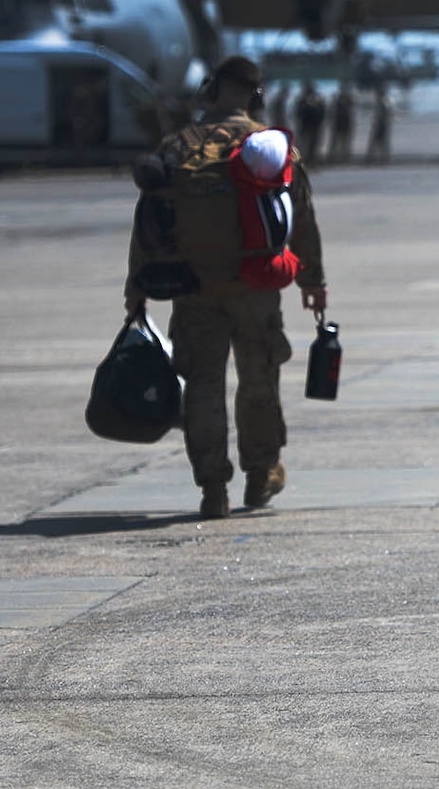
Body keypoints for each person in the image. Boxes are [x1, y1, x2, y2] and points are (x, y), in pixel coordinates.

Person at [125, 55, 327, 519]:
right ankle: (261, 474)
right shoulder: (270, 147)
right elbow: (302, 219)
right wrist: (312, 282)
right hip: (255, 285)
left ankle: (213, 487)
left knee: (202, 385)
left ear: (211, 92)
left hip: (192, 286)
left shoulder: (178, 146)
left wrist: (135, 287)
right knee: (259, 381)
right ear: (257, 95)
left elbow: (147, 222)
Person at [294, 80, 327, 163]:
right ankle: (306, 160)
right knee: (306, 144)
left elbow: (322, 112)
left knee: (312, 144)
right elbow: (298, 112)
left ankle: (311, 160)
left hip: (313, 126)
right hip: (307, 126)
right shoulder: (303, 100)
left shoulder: (316, 100)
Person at [364, 86, 393, 164]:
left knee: (377, 144)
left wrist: (377, 126)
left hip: (380, 127)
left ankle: (375, 159)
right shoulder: (385, 103)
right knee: (380, 144)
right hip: (381, 126)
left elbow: (381, 117)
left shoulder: (383, 103)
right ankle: (381, 158)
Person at [329, 85, 357, 164]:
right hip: (339, 125)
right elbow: (332, 114)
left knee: (344, 143)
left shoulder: (348, 102)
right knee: (337, 143)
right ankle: (335, 158)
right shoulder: (338, 102)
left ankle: (343, 157)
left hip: (344, 125)